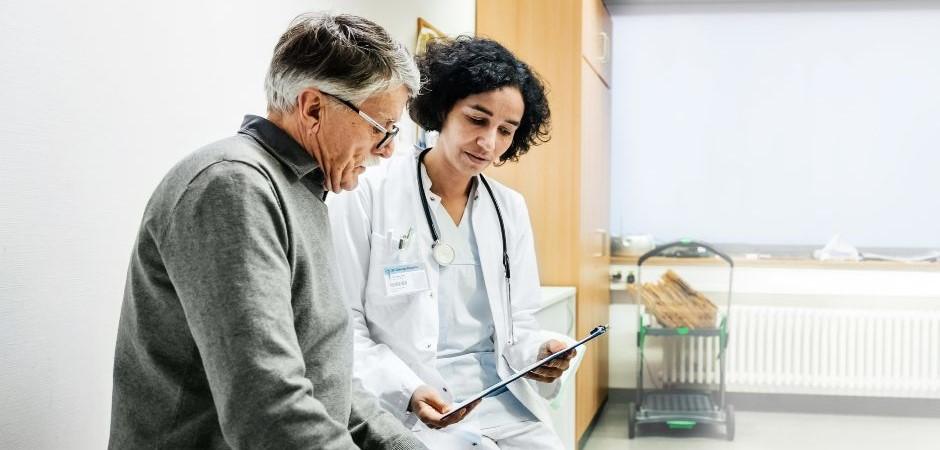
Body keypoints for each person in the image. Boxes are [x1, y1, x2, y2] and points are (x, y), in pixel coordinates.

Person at [109, 13, 429, 449]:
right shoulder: (231, 186)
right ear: (313, 107)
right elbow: (266, 407)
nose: (389, 150)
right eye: (381, 129)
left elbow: (322, 378)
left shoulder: (298, 189)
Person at [328, 36, 578, 449]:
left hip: (500, 400)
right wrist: (406, 390)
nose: (489, 143)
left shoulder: (509, 209)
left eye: (506, 131)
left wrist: (541, 353)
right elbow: (344, 328)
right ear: (442, 110)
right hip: (411, 403)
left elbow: (520, 326)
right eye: (477, 120)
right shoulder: (368, 194)